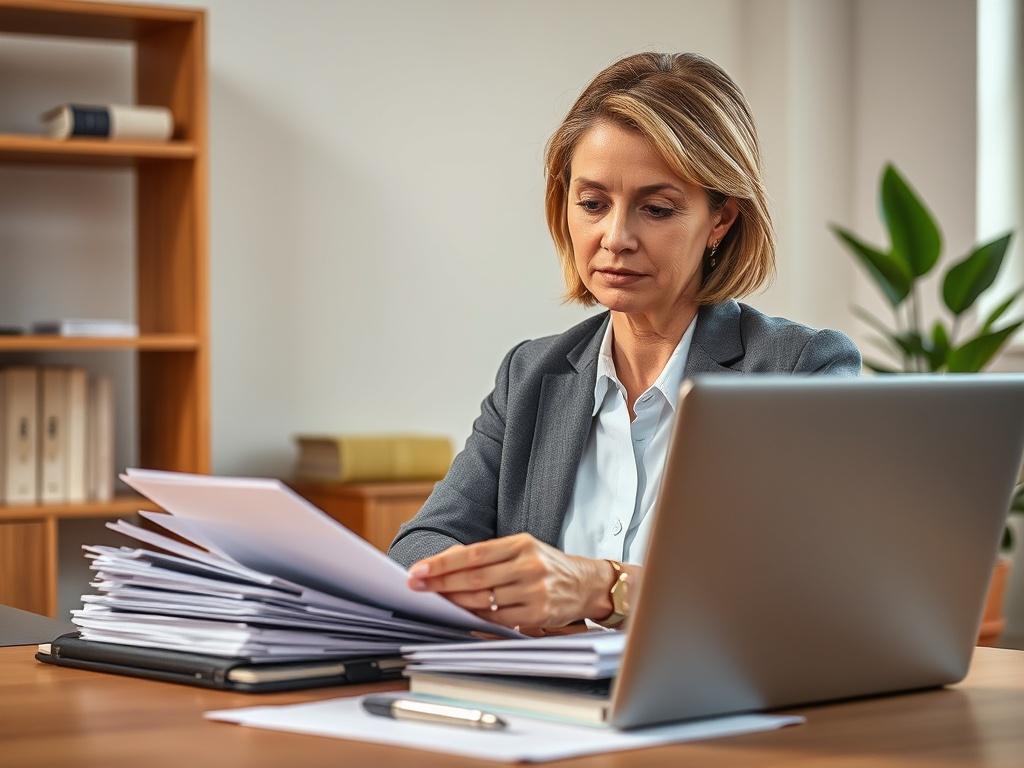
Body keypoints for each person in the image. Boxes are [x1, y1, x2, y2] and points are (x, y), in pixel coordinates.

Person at [388, 52, 860, 631]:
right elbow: (423, 545)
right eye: (592, 204)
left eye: (656, 209)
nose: (615, 237)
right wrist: (493, 591)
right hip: (539, 702)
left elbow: (807, 586)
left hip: (713, 710)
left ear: (721, 221)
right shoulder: (532, 373)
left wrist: (604, 588)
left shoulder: (798, 371)